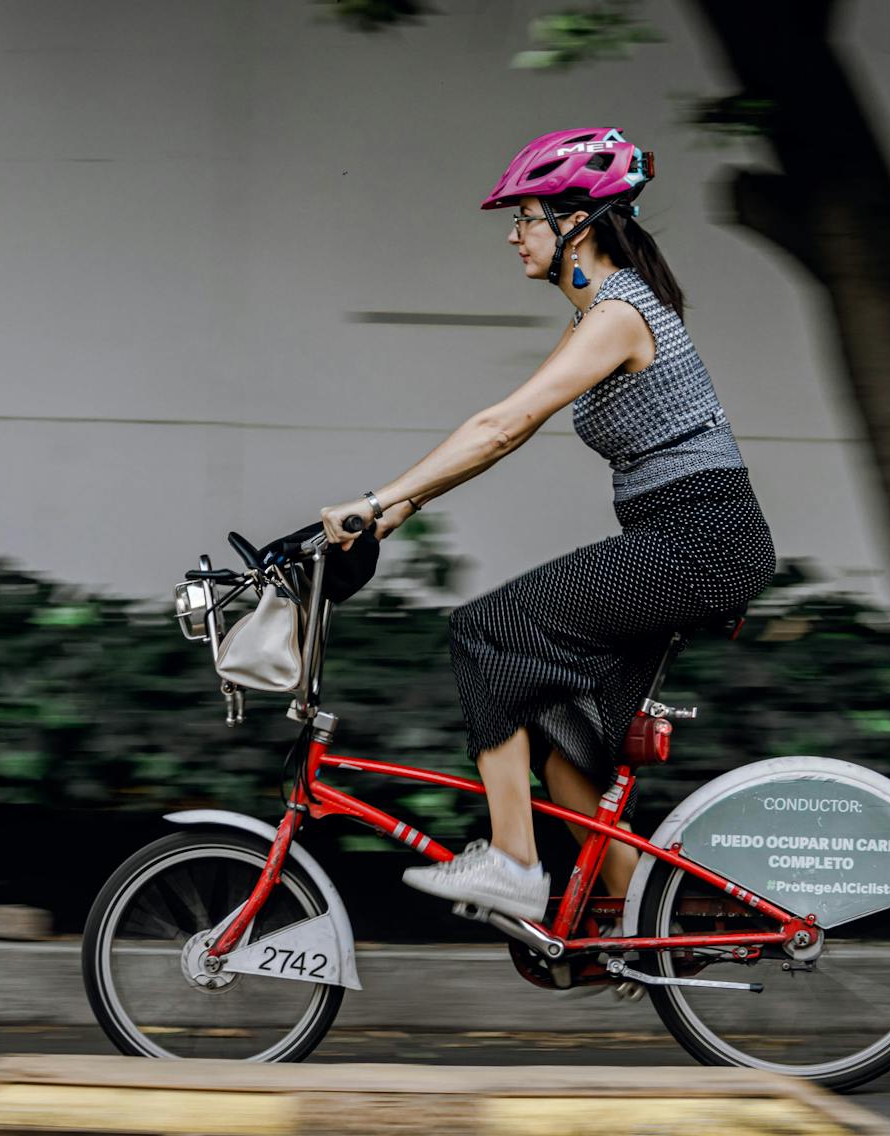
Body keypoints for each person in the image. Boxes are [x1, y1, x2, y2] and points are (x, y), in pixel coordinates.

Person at [319, 127, 775, 921]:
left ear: (578, 223)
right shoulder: (596, 318)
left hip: (702, 539)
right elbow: (509, 434)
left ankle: (513, 863)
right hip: (681, 540)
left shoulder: (621, 313)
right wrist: (395, 510)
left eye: (526, 216)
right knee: (568, 748)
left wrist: (377, 495)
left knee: (487, 630)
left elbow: (501, 423)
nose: (513, 233)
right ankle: (641, 929)